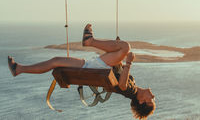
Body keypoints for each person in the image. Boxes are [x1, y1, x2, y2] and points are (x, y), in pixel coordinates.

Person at [8, 24, 156, 119]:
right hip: (93, 68)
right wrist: (121, 59)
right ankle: (19, 69)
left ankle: (89, 41)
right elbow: (118, 72)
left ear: (141, 101)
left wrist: (128, 62)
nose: (153, 96)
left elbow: (122, 85)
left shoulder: (131, 90)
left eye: (151, 100)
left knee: (125, 47)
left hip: (99, 68)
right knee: (54, 61)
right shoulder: (133, 88)